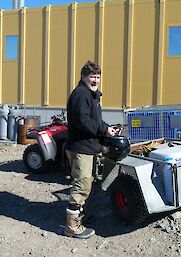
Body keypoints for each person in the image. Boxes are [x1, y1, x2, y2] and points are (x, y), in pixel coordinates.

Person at [64, 60, 116, 239]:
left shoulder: (91, 95)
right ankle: (72, 227)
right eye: (92, 77)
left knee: (86, 182)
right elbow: (83, 121)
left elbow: (94, 120)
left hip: (87, 147)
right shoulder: (81, 94)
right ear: (83, 77)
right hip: (81, 148)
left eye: (98, 77)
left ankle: (79, 216)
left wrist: (108, 129)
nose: (95, 80)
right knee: (81, 185)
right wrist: (103, 130)